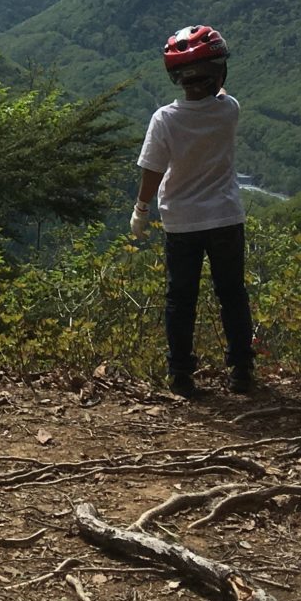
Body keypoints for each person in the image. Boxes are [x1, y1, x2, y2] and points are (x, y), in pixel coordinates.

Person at [128, 24, 255, 397]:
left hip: (182, 222)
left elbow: (152, 169)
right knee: (232, 294)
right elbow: (221, 94)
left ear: (177, 79)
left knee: (181, 300)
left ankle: (181, 375)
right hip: (226, 217)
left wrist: (141, 208)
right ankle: (242, 371)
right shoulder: (229, 110)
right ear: (219, 73)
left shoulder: (165, 119)